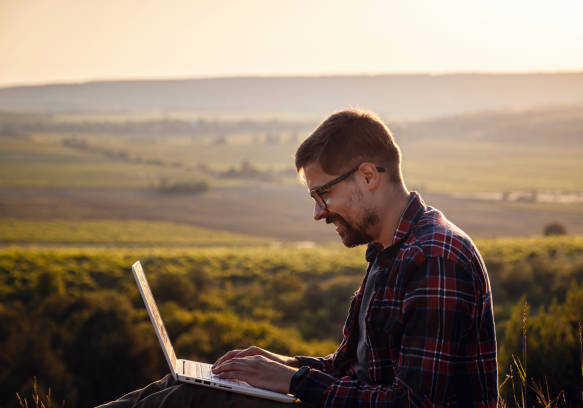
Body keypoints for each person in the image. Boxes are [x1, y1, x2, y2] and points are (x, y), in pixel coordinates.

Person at [98, 109, 498, 407]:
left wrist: (292, 381)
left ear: (368, 177)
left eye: (322, 194)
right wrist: (277, 365)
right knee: (180, 387)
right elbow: (352, 371)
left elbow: (410, 403)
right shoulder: (389, 252)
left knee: (196, 402)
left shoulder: (434, 257)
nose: (318, 213)